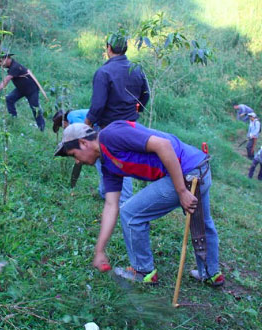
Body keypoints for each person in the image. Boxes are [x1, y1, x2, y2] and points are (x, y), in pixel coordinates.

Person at [54, 121, 223, 286]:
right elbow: (111, 206)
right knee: (202, 222)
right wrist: (99, 250)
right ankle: (211, 273)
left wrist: (181, 191)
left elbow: (163, 145)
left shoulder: (111, 135)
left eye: (74, 155)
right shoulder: (108, 164)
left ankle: (142, 271)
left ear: (83, 143)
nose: (77, 162)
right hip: (199, 167)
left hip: (187, 172)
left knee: (130, 213)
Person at [52, 109, 133, 203]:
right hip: (104, 129)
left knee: (115, 164)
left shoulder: (72, 117)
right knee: (103, 166)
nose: (65, 129)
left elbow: (83, 134)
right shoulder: (75, 115)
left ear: (64, 122)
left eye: (63, 127)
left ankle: (124, 199)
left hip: (106, 130)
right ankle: (104, 193)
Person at [84, 32, 149, 128]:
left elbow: (98, 105)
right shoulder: (137, 68)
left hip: (109, 126)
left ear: (109, 48)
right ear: (125, 48)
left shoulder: (103, 72)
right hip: (131, 124)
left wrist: (87, 123)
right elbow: (146, 95)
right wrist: (135, 111)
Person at [0, 52, 46, 131]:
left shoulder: (15, 67)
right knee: (9, 99)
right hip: (21, 89)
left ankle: (41, 128)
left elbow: (5, 81)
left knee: (35, 109)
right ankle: (13, 119)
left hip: (31, 90)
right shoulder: (11, 66)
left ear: (6, 59)